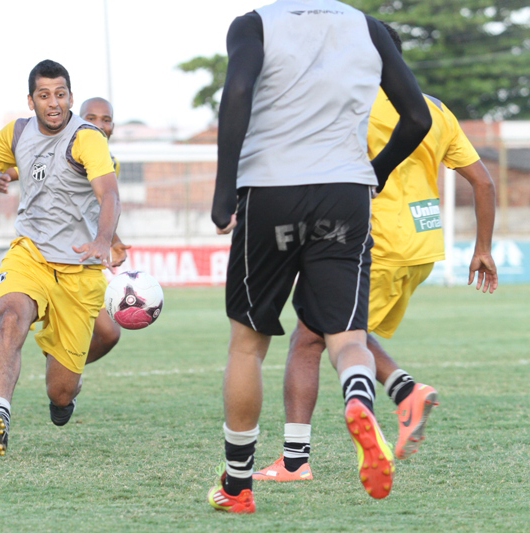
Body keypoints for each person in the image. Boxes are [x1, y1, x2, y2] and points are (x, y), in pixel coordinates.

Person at [207, 1, 432, 513]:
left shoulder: (254, 24)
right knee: (348, 336)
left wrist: (224, 192)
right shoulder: (368, 27)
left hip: (271, 190)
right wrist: (375, 170)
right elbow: (416, 116)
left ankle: (238, 487)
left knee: (248, 344)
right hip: (345, 193)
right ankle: (358, 395)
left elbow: (238, 91)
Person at [254, 22, 498, 483]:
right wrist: (482, 247)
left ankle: (307, 454)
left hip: (365, 242)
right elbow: (482, 181)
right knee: (338, 334)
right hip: (421, 247)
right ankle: (384, 402)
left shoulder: (350, 106)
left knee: (313, 340)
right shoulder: (435, 109)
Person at [0, 60, 121, 457]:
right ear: (30, 100)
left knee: (61, 390)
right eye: (44, 95)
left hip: (79, 271)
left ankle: (64, 397)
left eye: (61, 94)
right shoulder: (17, 131)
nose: (53, 103)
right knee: (11, 317)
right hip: (29, 254)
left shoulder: (88, 139)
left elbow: (109, 195)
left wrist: (104, 240)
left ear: (70, 97)